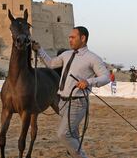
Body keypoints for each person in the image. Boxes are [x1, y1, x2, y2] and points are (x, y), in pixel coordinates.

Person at [32, 26, 110, 158]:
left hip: (77, 102)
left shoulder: (93, 58)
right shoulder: (66, 54)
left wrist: (88, 82)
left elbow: (106, 77)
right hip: (62, 102)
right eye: (69, 37)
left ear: (83, 38)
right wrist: (39, 50)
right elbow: (51, 64)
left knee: (63, 134)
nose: (70, 40)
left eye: (73, 37)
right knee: (73, 135)